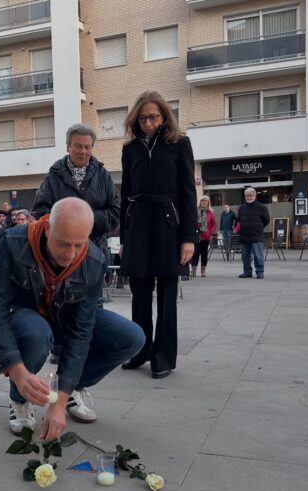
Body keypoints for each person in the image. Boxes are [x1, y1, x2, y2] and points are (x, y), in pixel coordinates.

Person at [0, 197, 144, 438]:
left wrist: (59, 399)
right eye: (64, 244)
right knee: (37, 333)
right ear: (47, 229)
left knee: (132, 337)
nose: (71, 254)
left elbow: (81, 331)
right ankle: (20, 398)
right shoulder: (14, 242)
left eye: (79, 244)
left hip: (68, 318)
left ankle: (71, 390)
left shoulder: (94, 260)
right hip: (28, 318)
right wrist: (18, 372)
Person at [119, 91, 197, 380]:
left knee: (166, 295)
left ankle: (163, 357)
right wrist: (124, 238)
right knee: (139, 295)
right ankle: (139, 350)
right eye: (142, 117)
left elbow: (189, 192)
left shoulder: (179, 144)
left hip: (169, 225)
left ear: (164, 116)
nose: (148, 122)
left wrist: (189, 236)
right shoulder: (130, 150)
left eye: (153, 116)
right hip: (138, 223)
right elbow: (125, 193)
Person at [32, 123, 119, 256]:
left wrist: (86, 221)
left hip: (96, 253)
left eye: (87, 147)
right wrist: (67, 223)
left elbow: (116, 212)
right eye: (78, 146)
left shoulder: (103, 176)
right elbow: (40, 211)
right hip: (61, 254)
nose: (83, 151)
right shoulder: (53, 176)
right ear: (68, 146)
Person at [236, 187, 270, 279]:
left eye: (251, 195)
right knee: (245, 256)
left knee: (258, 255)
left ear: (255, 196)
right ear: (245, 196)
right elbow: (238, 220)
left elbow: (267, 220)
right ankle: (247, 272)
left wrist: (258, 228)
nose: (249, 197)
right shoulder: (241, 208)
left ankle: (260, 272)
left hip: (256, 235)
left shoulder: (262, 207)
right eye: (247, 196)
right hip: (244, 235)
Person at [192, 196, 217, 278]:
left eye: (205, 201)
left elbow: (214, 224)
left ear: (208, 202)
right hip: (197, 236)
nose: (204, 202)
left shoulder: (210, 212)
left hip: (206, 236)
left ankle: (203, 270)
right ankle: (194, 270)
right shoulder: (195, 211)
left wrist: (210, 233)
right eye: (202, 200)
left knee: (204, 254)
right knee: (195, 253)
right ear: (200, 202)